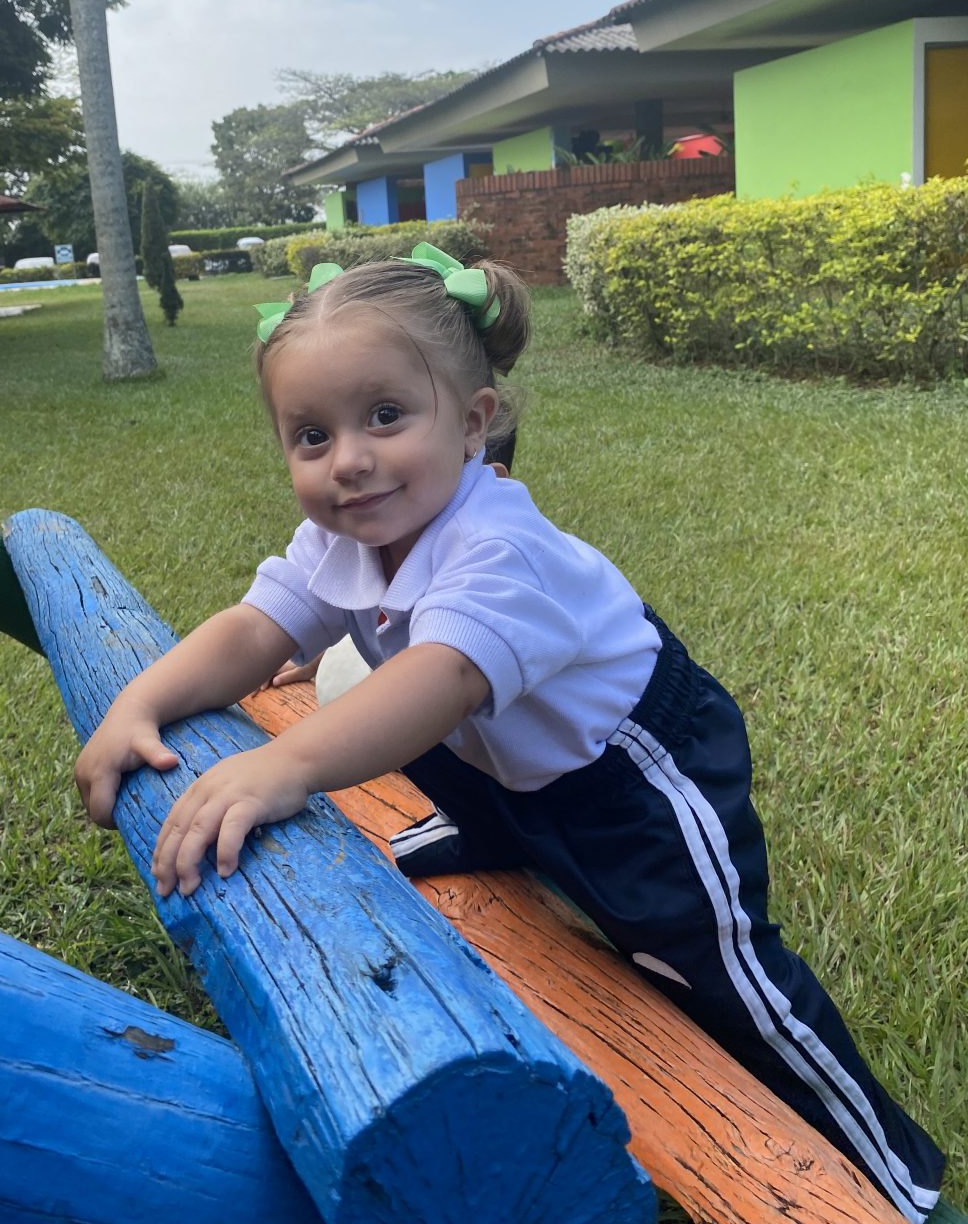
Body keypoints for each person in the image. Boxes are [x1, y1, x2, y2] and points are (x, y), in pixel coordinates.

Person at [75, 244, 943, 1220]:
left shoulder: (499, 546)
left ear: (473, 422)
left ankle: (895, 1176)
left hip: (636, 771)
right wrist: (139, 702)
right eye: (311, 435)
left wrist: (285, 767)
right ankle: (492, 831)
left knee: (717, 972)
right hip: (501, 757)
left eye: (386, 416)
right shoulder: (344, 534)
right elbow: (253, 629)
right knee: (429, 735)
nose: (349, 459)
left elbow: (443, 680)